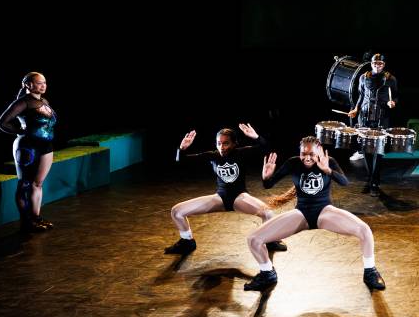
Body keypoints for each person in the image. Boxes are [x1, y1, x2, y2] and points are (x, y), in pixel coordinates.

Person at [247, 136, 384, 292]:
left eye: (311, 154)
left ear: (319, 151)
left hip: (324, 211)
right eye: (303, 153)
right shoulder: (293, 162)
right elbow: (268, 184)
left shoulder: (328, 161)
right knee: (253, 239)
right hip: (301, 214)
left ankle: (370, 272)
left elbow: (345, 182)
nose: (307, 157)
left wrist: (328, 170)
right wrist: (266, 176)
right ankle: (267, 273)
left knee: (365, 230)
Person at [164, 124, 285, 256]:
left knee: (268, 214)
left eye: (226, 143)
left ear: (234, 144)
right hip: (220, 198)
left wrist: (256, 137)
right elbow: (181, 162)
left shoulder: (241, 153)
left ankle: (270, 241)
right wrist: (182, 148)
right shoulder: (213, 156)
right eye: (219, 143)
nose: (222, 147)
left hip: (239, 197)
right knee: (177, 211)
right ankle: (187, 242)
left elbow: (266, 149)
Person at [0, 72, 58, 232]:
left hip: (46, 146)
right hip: (28, 147)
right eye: (39, 83)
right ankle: (26, 221)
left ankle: (36, 218)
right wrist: (20, 131)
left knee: (38, 184)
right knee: (24, 184)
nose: (43, 85)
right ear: (28, 85)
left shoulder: (44, 101)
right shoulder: (22, 102)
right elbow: (2, 123)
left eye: (44, 82)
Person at [347, 53, 398, 195]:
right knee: (366, 149)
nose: (377, 66)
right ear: (371, 64)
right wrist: (356, 109)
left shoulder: (391, 79)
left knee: (378, 151)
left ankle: (375, 181)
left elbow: (396, 96)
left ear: (384, 65)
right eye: (375, 63)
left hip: (382, 117)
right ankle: (371, 178)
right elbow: (361, 96)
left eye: (380, 64)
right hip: (365, 116)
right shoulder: (363, 77)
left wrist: (393, 102)